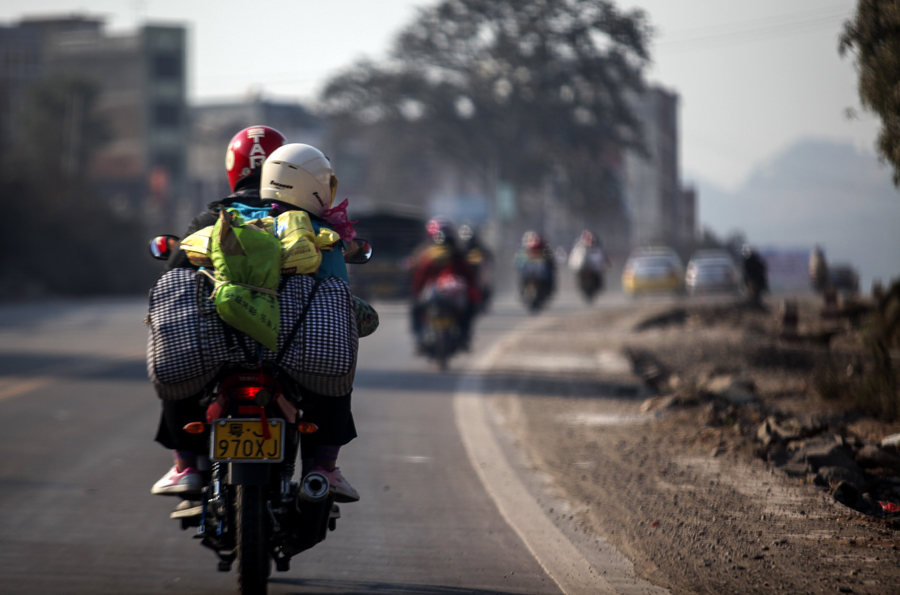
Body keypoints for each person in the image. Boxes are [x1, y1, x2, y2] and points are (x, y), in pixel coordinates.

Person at [152, 130, 361, 504]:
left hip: (223, 347)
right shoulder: (316, 230)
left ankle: (186, 464)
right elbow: (334, 294)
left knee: (180, 353)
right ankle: (323, 466)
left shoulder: (212, 219)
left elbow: (179, 282)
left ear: (234, 168)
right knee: (332, 370)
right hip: (290, 350)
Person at [409, 218, 481, 350]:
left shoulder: (427, 256)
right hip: (447, 296)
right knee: (469, 309)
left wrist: (416, 295)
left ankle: (419, 338)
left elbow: (420, 278)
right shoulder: (457, 256)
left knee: (416, 309)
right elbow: (469, 278)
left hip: (437, 295)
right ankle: (464, 336)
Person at [514, 230, 556, 297]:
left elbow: (551, 263)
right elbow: (518, 263)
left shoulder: (545, 250)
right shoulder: (523, 251)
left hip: (542, 278)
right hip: (528, 277)